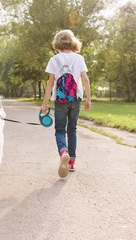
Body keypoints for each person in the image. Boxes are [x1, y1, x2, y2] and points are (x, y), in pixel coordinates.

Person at [41, 29, 91, 178]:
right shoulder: (79, 58)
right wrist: (88, 98)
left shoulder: (54, 59)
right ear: (73, 42)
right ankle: (71, 163)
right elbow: (85, 79)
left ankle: (63, 152)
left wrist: (45, 103)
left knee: (60, 130)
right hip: (76, 98)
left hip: (60, 100)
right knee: (72, 129)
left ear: (57, 43)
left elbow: (50, 83)